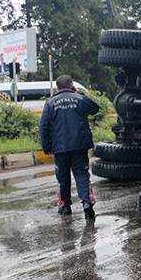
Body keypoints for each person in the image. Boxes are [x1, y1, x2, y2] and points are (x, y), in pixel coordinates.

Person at [39, 75, 100, 219]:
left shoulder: (51, 103)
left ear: (57, 87)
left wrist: (46, 146)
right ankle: (86, 202)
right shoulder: (79, 99)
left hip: (60, 147)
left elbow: (44, 127)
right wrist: (78, 93)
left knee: (63, 177)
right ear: (72, 85)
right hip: (79, 146)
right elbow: (95, 108)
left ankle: (65, 206)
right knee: (81, 175)